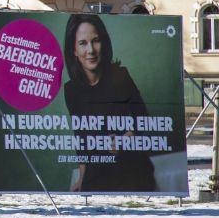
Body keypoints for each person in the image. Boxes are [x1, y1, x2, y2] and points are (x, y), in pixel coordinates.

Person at [62, 14, 155, 192]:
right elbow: (81, 135)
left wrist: (125, 140)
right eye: (82, 43)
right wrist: (82, 176)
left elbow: (142, 118)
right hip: (98, 165)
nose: (90, 50)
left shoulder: (120, 75)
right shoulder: (71, 90)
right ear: (73, 50)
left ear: (103, 43)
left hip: (130, 163)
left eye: (95, 41)